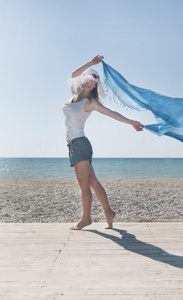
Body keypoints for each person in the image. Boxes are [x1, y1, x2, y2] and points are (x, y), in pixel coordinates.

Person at [63, 55, 144, 230]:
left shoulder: (91, 102)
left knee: (83, 184)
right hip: (75, 146)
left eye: (93, 82)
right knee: (92, 181)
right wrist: (92, 63)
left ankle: (86, 219)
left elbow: (111, 113)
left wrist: (132, 122)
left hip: (80, 145)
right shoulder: (74, 95)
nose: (89, 84)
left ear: (96, 86)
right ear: (83, 81)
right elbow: (73, 73)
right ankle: (108, 211)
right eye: (87, 80)